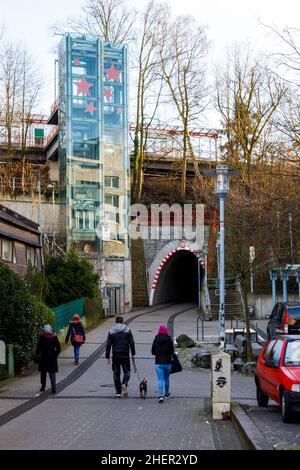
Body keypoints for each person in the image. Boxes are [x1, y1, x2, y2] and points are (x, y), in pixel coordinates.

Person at [105, 316, 135, 398]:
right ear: (122, 321)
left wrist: (107, 356)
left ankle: (118, 392)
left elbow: (108, 345)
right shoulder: (128, 330)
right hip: (125, 354)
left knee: (116, 373)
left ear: (115, 322)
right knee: (127, 371)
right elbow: (132, 343)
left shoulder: (111, 331)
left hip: (115, 355)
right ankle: (124, 384)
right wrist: (133, 354)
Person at [151, 324, 174, 403]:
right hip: (167, 362)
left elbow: (153, 352)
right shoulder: (169, 339)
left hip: (158, 363)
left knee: (160, 379)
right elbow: (172, 351)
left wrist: (158, 353)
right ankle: (167, 394)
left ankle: (160, 395)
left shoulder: (156, 339)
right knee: (166, 378)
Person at [36, 324, 61, 394]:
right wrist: (55, 354)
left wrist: (38, 354)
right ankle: (53, 387)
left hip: (43, 357)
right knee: (52, 372)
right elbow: (58, 348)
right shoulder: (54, 337)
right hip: (52, 357)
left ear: (44, 330)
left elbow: (38, 348)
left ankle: (43, 387)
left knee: (43, 372)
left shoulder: (42, 337)